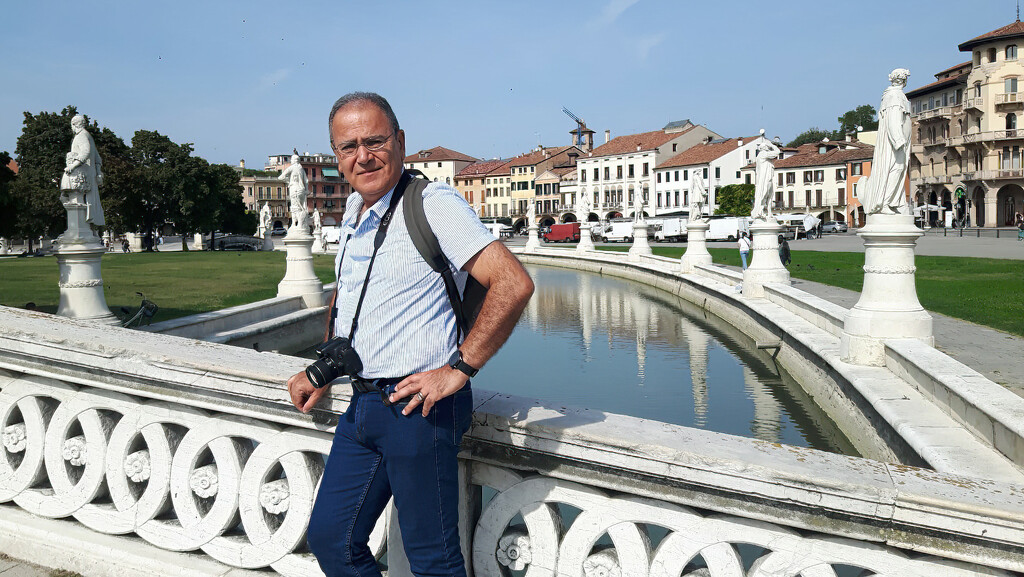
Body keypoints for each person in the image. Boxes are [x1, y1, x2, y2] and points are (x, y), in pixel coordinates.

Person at [287, 92, 534, 577]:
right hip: (363, 405)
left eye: (375, 141)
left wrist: (459, 367)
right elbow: (357, 313)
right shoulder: (355, 214)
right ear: (335, 156)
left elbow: (513, 283)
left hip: (418, 410)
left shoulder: (433, 205)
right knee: (330, 538)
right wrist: (321, 370)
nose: (363, 156)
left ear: (400, 142)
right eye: (347, 146)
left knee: (432, 561)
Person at [863, 69, 912, 215]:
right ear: (904, 81)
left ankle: (892, 202)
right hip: (895, 144)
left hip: (898, 143)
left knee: (898, 169)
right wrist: (898, 140)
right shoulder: (895, 96)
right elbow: (893, 119)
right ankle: (885, 202)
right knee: (895, 169)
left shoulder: (894, 95)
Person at [65, 115, 105, 226]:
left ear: (74, 124)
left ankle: (80, 228)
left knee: (70, 198)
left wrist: (72, 166)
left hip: (83, 175)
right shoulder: (88, 136)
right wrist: (98, 172)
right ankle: (89, 230)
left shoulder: (81, 136)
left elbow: (85, 152)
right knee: (87, 202)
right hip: (89, 174)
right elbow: (98, 159)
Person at [279, 153, 310, 231]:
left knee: (294, 207)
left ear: (293, 160)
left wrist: (288, 181)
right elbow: (306, 181)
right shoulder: (301, 169)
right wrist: (306, 190)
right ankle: (302, 224)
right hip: (302, 190)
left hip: (294, 189)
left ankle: (295, 224)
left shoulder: (292, 168)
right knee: (301, 207)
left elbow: (281, 177)